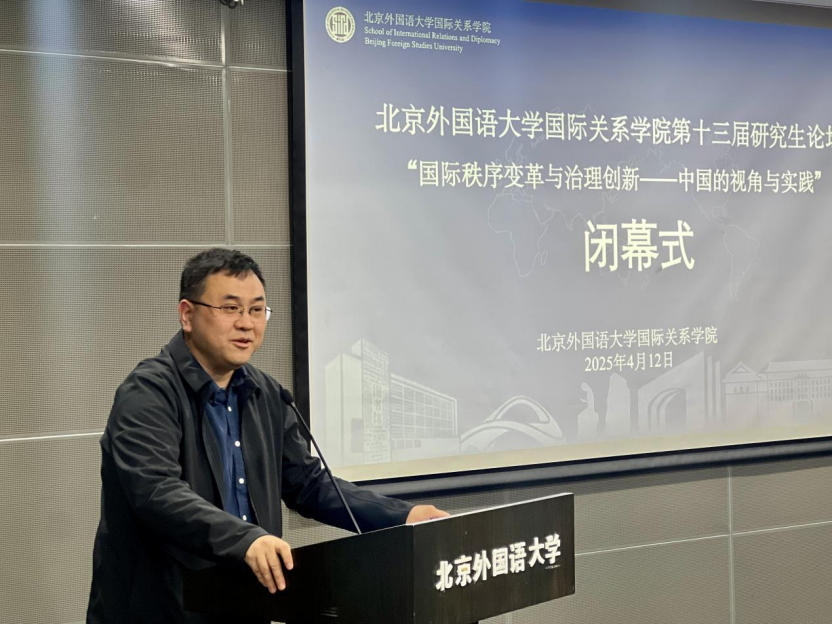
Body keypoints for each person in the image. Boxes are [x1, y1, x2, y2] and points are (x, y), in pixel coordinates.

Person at [87, 248, 448, 623]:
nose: (246, 324)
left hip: (245, 606)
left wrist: (402, 516)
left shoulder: (266, 393)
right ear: (187, 314)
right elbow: (155, 491)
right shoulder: (148, 392)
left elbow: (308, 483)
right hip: (162, 610)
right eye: (231, 308)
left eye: (257, 310)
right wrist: (245, 540)